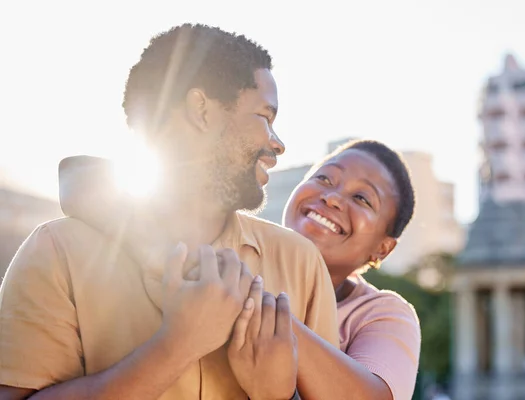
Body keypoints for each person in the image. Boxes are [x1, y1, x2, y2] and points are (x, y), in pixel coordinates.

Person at [0, 23, 338, 400]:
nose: (278, 144)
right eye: (265, 117)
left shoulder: (301, 263)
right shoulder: (55, 252)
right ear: (201, 110)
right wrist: (174, 348)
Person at [230, 139, 421, 399]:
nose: (332, 198)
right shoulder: (232, 253)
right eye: (324, 179)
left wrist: (253, 306)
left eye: (361, 198)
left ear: (383, 248)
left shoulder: (380, 314)